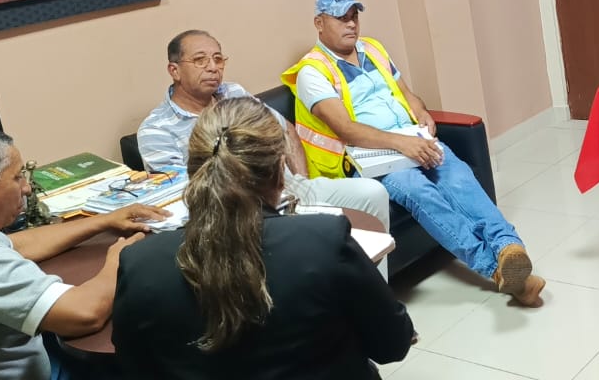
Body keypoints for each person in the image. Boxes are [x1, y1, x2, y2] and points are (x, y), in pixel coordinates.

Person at [114, 97, 414, 379]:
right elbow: (392, 344)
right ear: (280, 169)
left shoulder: (140, 264)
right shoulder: (323, 241)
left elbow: (133, 367)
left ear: (195, 172)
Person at [282, 0, 544, 307]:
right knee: (420, 192)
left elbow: (406, 93)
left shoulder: (373, 49)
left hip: (409, 138)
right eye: (341, 18)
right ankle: (497, 270)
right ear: (319, 23)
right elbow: (346, 130)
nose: (351, 24)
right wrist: (404, 144)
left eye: (354, 16)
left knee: (457, 176)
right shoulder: (313, 71)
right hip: (365, 159)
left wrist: (421, 113)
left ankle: (508, 248)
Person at [0, 126, 166, 379]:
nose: (26, 187)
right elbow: (86, 314)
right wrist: (120, 258)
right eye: (17, 177)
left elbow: (20, 244)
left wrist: (104, 220)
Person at [137, 30, 390, 231]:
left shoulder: (233, 93)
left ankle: (373, 281)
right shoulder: (156, 130)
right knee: (324, 233)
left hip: (288, 188)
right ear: (174, 70)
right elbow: (186, 192)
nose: (213, 67)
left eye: (218, 59)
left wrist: (302, 182)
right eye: (200, 60)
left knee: (372, 192)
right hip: (237, 215)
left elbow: (284, 129)